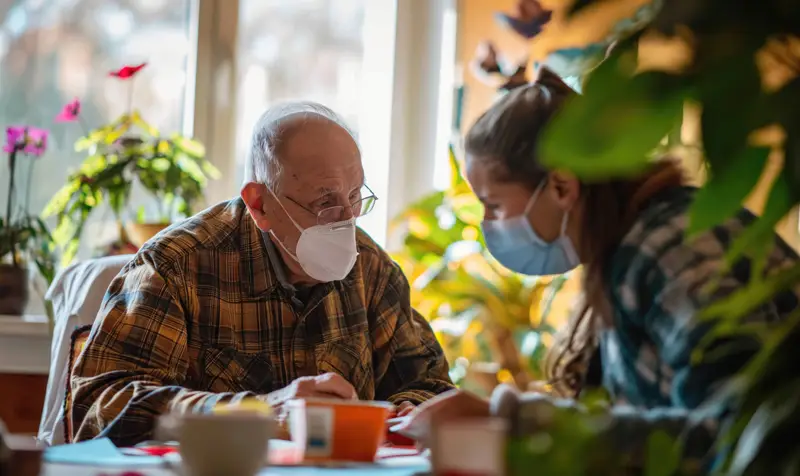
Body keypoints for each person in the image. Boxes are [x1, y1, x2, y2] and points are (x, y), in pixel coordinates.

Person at [462, 67, 799, 467]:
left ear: (561, 187)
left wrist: (517, 421)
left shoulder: (674, 245)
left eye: (494, 205)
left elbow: (736, 438)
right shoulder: (627, 249)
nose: (489, 224)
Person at [70, 101, 454, 446]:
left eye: (355, 197)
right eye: (325, 202)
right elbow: (100, 409)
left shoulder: (371, 269)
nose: (347, 222)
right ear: (259, 203)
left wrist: (404, 415)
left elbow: (431, 385)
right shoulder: (177, 265)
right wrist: (255, 413)